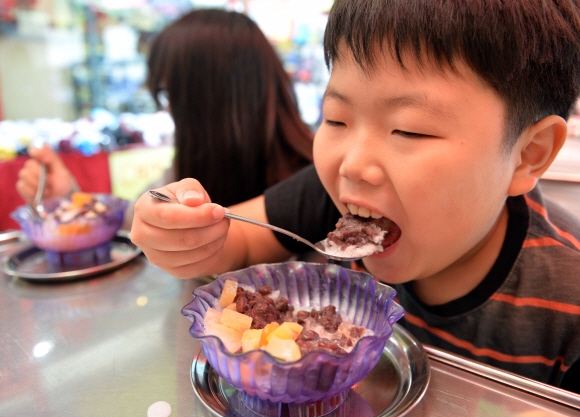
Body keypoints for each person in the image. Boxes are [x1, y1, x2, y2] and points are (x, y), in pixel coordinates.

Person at [130, 0, 580, 392]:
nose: (352, 165)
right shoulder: (336, 200)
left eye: (409, 129)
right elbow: (235, 242)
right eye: (336, 119)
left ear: (527, 155)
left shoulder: (568, 298)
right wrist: (180, 228)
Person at [16, 9, 313, 219]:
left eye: (171, 95)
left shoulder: (312, 185)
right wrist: (69, 198)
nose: (168, 109)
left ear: (210, 101)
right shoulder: (191, 170)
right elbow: (137, 218)